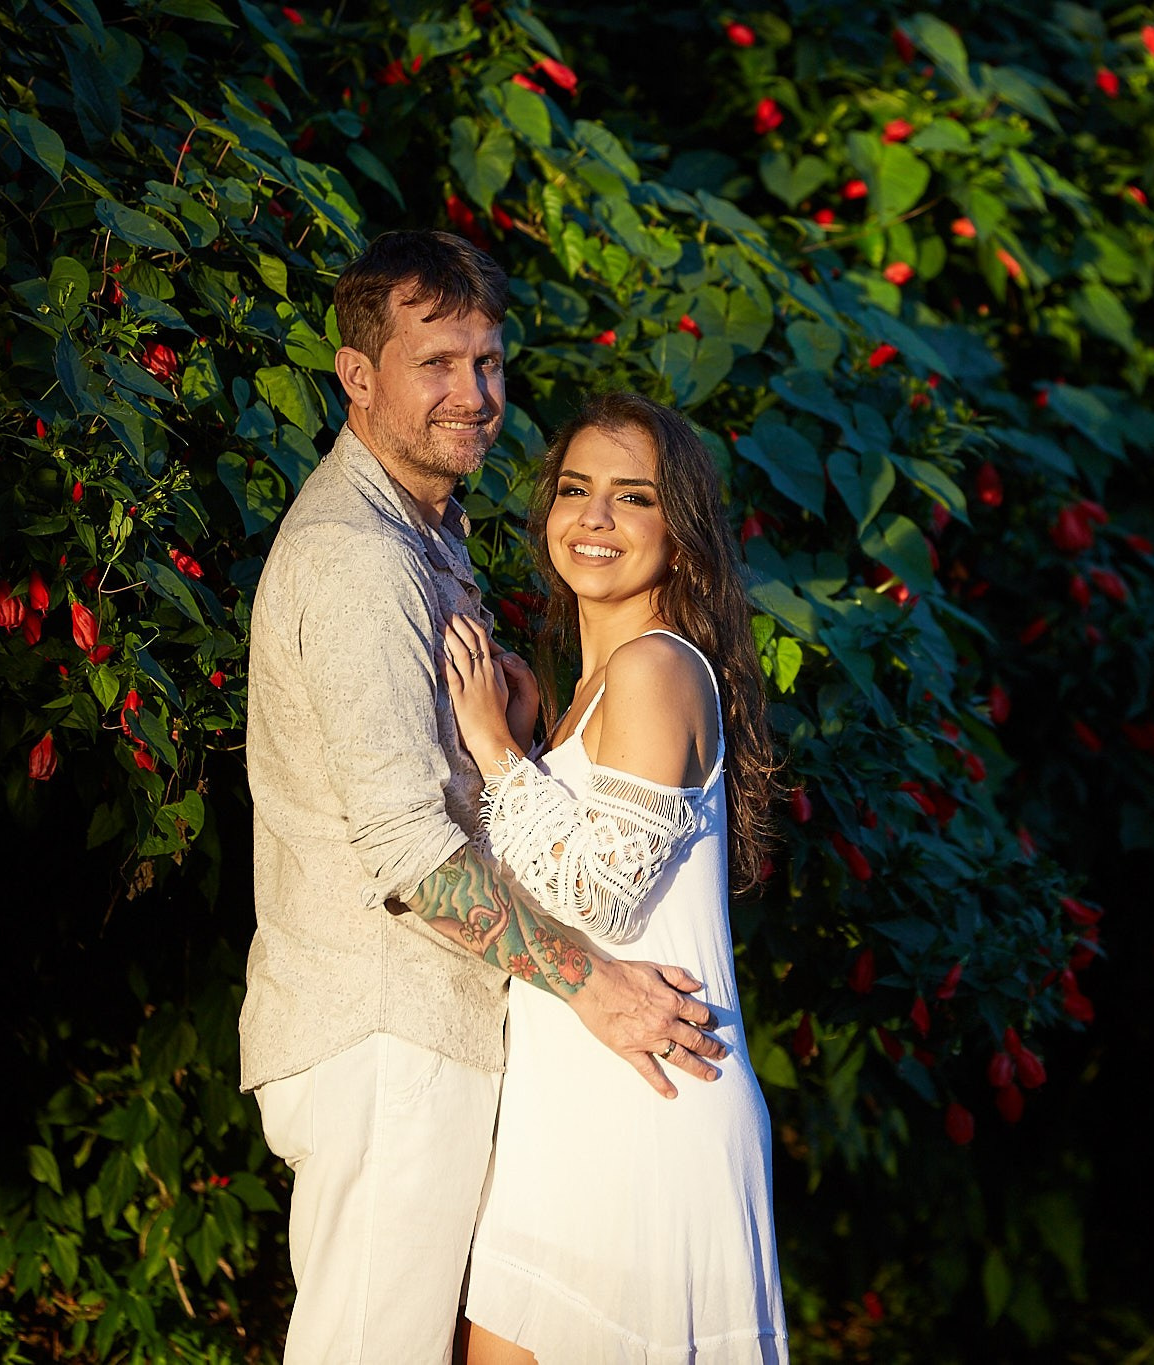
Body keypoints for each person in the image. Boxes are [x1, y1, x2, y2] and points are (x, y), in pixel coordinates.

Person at [239, 232, 728, 1364]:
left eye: (488, 363)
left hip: (432, 1027)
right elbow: (408, 850)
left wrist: (515, 744)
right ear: (357, 377)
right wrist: (592, 983)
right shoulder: (358, 558)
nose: (473, 394)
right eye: (436, 365)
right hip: (385, 1028)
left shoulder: (427, 536)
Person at [440, 391, 787, 1364]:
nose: (593, 517)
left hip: (648, 1109)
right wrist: (523, 743)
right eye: (575, 490)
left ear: (678, 534)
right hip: (573, 1107)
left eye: (631, 497)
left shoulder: (656, 671)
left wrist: (489, 744)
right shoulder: (590, 692)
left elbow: (598, 897)